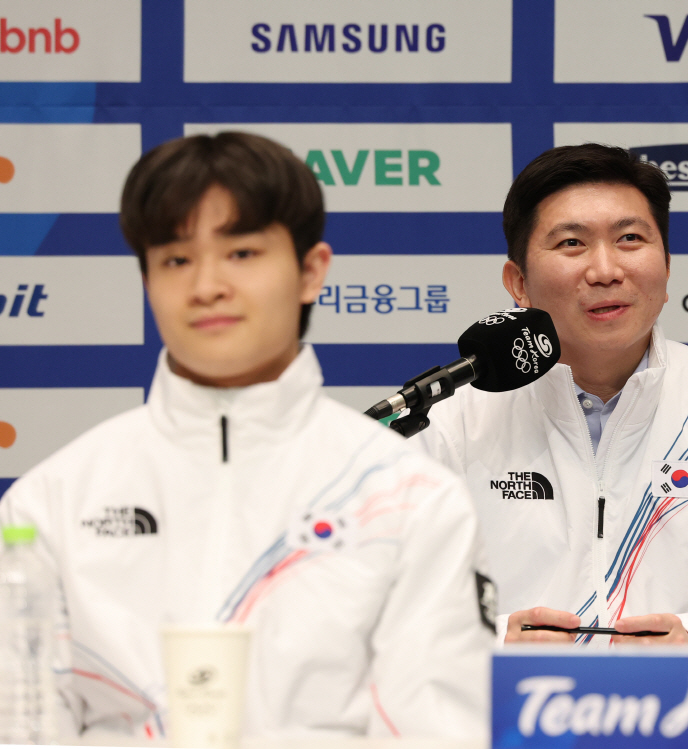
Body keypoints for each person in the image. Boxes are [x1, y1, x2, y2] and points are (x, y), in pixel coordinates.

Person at [0, 132, 493, 740]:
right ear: (147, 280)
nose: (207, 285)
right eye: (176, 260)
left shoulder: (410, 498)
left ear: (311, 272)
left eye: (241, 253)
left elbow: (440, 731)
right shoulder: (49, 503)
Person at [413, 143, 688, 646]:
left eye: (630, 238)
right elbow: (396, 607)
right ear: (518, 283)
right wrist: (498, 643)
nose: (605, 270)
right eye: (572, 243)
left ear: (667, 267)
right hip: (501, 697)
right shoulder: (447, 423)